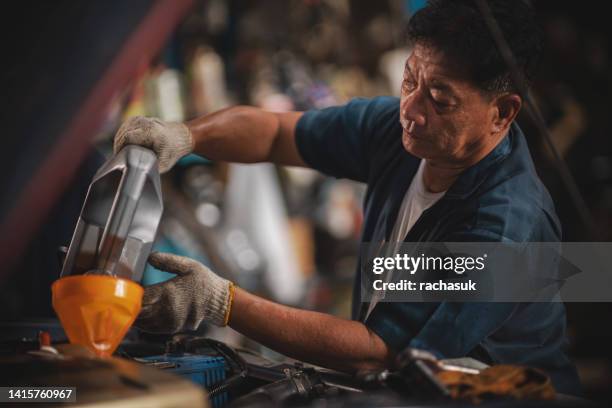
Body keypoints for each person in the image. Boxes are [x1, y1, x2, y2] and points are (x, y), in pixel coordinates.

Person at [113, 0, 581, 395]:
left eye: (440, 99)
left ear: (501, 113)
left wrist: (220, 303)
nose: (412, 110)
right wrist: (184, 136)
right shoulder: (397, 133)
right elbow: (276, 133)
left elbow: (375, 348)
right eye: (410, 80)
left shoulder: (503, 228)